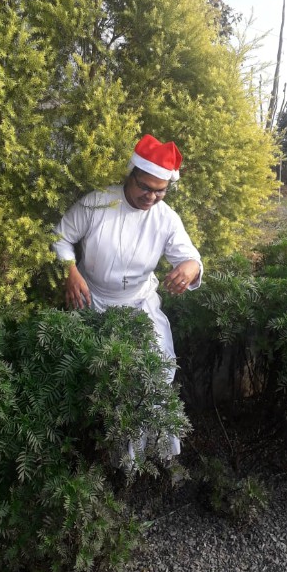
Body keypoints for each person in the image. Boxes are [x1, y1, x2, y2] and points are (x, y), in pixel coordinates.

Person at [52, 134, 204, 464]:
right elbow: (61, 238)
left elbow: (190, 257)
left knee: (156, 370)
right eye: (145, 187)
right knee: (101, 378)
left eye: (159, 190)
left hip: (139, 303)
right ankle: (106, 454)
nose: (151, 196)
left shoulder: (166, 218)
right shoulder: (96, 203)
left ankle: (152, 454)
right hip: (92, 300)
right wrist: (70, 270)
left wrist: (190, 268)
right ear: (131, 175)